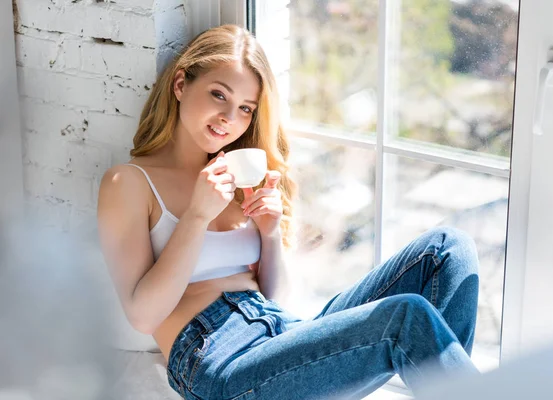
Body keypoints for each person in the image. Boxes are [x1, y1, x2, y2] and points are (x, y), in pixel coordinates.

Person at [96, 24, 480, 400]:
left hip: (282, 332)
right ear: (181, 85)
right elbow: (143, 317)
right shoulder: (128, 183)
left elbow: (276, 297)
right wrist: (196, 217)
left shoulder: (238, 176)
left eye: (245, 108)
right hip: (220, 361)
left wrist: (268, 234)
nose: (230, 117)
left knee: (448, 250)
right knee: (405, 317)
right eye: (218, 95)